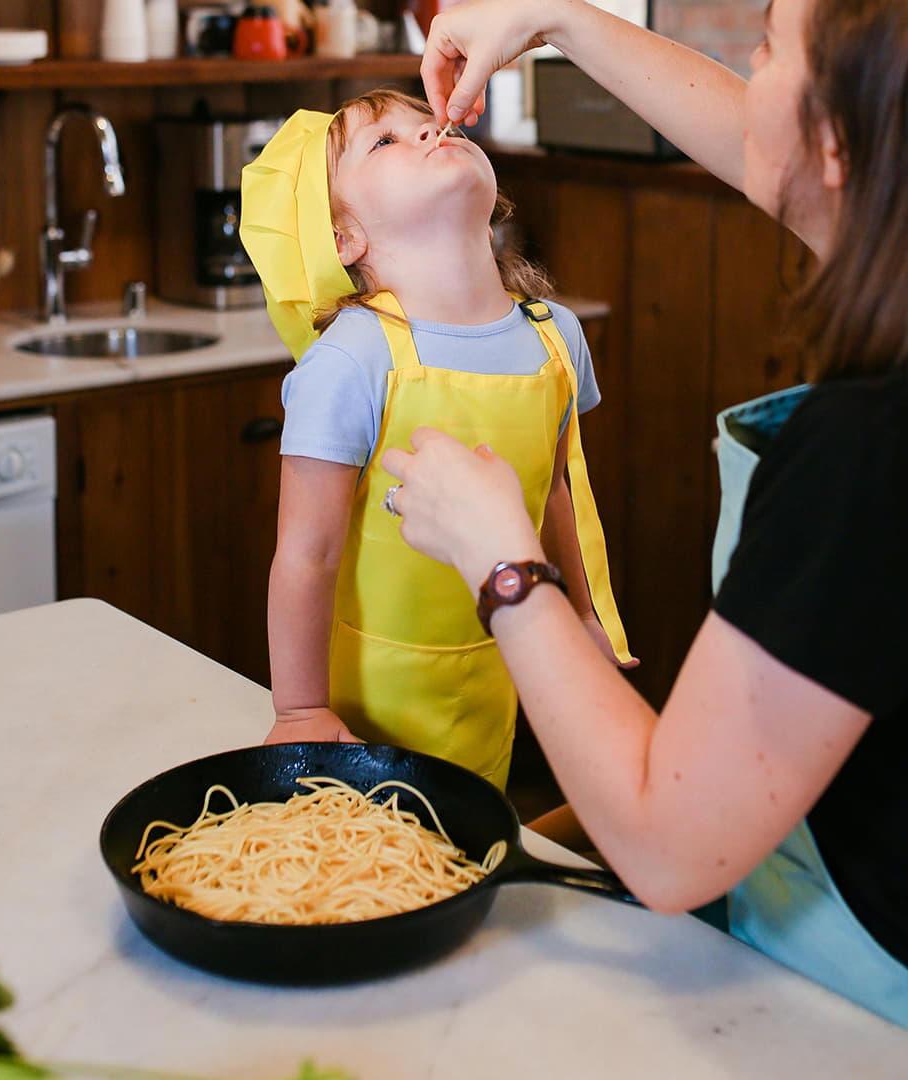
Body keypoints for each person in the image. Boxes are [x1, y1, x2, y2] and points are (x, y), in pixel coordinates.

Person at [383, 0, 908, 1027]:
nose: (743, 87)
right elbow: (784, 153)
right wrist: (557, 19)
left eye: (764, 53)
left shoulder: (869, 453)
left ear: (839, 142)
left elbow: (670, 846)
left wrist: (504, 562)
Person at [239, 89, 634, 790]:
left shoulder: (556, 335)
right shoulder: (350, 361)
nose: (429, 132)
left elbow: (555, 494)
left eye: (429, 122)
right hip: (366, 706)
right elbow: (307, 553)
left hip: (499, 668)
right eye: (386, 142)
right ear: (342, 240)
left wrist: (580, 614)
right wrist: (300, 710)